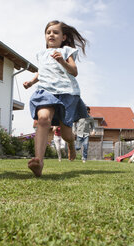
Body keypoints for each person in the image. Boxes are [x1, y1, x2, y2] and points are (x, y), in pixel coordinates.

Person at [23, 20, 88, 177]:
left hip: (66, 93)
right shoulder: (41, 54)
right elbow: (42, 72)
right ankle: (39, 162)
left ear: (64, 37)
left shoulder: (67, 51)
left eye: (55, 32)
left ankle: (71, 145)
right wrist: (32, 81)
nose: (51, 34)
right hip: (46, 91)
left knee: (66, 135)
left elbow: (74, 71)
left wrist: (61, 61)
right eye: (48, 32)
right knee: (43, 119)